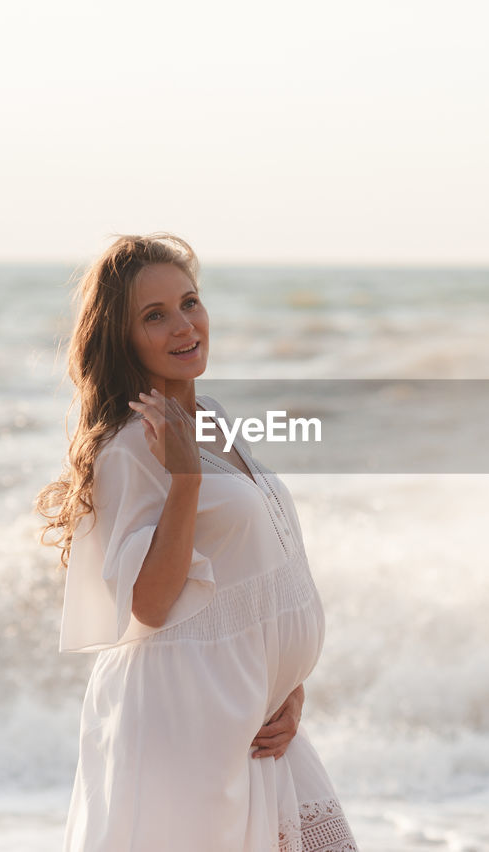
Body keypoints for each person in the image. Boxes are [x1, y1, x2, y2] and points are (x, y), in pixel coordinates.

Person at [37, 234, 358, 851]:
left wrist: (287, 685)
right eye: (154, 316)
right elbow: (151, 605)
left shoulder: (208, 413)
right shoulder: (129, 446)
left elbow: (248, 572)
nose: (184, 325)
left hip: (251, 717)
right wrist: (183, 478)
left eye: (189, 302)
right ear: (121, 338)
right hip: (184, 722)